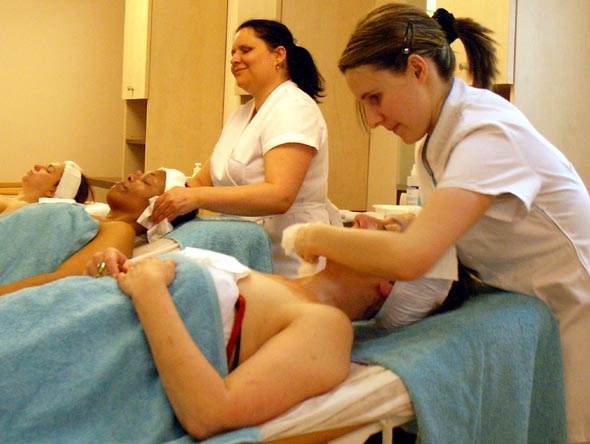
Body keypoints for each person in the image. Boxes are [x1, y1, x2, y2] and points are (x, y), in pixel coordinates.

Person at [292, 4, 590, 442]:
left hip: (572, 306)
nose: (373, 120)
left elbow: (414, 259)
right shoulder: (431, 146)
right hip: (522, 304)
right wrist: (405, 229)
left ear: (417, 69)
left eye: (375, 98)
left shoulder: (486, 133)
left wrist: (313, 235)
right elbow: (437, 240)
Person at [85, 245, 392, 440]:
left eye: (386, 230)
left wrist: (149, 289)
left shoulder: (328, 327)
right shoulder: (275, 282)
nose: (363, 217)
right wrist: (105, 270)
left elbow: (209, 414)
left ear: (388, 286)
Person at [150, 19, 341, 278]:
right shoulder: (242, 114)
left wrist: (196, 198)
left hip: (290, 255)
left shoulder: (294, 108)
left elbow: (280, 195)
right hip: (245, 248)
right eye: (232, 53)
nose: (235, 59)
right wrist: (154, 197)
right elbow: (202, 181)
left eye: (245, 50)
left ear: (279, 55)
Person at [0, 168, 186, 296]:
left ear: (157, 212)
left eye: (145, 181)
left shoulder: (120, 231)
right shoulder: (80, 211)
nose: (131, 176)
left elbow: (64, 281)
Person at [0, 160, 92, 215]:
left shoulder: (21, 209)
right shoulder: (13, 204)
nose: (37, 166)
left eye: (49, 170)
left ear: (51, 192)